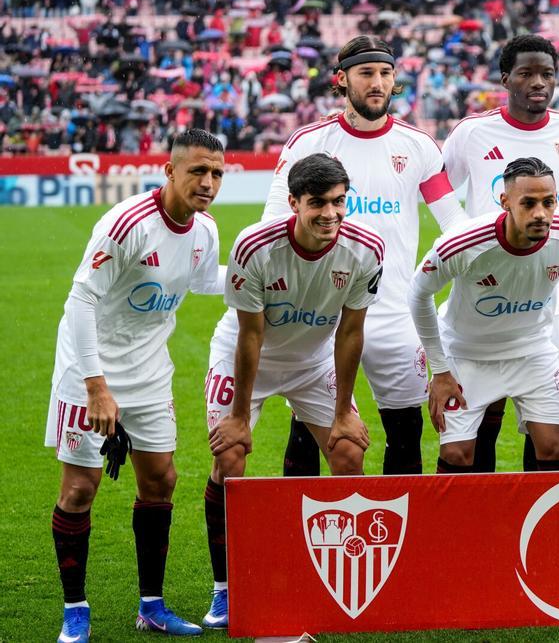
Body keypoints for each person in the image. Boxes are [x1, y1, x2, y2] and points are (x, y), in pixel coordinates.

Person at [46, 129, 224, 641]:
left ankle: (151, 605)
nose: (207, 182)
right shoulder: (126, 225)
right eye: (197, 171)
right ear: (170, 171)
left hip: (149, 373)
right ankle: (75, 610)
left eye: (216, 173)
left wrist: (267, 270)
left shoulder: (205, 230)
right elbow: (79, 301)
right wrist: (95, 385)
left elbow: (208, 281)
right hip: (89, 370)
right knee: (81, 488)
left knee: (160, 480)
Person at [267, 35, 468, 478]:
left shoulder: (419, 146)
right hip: (322, 315)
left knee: (405, 432)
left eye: (385, 73)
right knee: (307, 432)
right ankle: (302, 543)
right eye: (366, 73)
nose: (377, 83)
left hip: (396, 314)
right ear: (341, 80)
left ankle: (403, 539)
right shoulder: (308, 142)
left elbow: (453, 225)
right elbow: (272, 225)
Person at [201, 154, 381, 628]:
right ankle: (225, 589)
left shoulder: (367, 249)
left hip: (313, 361)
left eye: (339, 202)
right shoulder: (254, 246)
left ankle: (343, 580)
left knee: (348, 453)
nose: (330, 214)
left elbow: (350, 332)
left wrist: (344, 410)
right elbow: (250, 335)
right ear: (294, 202)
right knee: (231, 457)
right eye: (318, 203)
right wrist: (238, 415)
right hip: (247, 359)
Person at [442, 34, 559, 472]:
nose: (538, 82)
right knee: (486, 413)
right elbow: (440, 189)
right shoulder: (473, 132)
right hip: (486, 293)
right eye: (526, 73)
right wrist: (461, 240)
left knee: (542, 425)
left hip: (553, 296)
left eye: (547, 74)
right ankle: (486, 520)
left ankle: (534, 523)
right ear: (506, 79)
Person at [409, 157, 559, 473]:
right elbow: (418, 293)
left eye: (548, 202)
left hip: (532, 353)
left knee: (555, 447)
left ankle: (543, 522)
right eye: (529, 203)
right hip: (467, 356)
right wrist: (439, 371)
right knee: (457, 456)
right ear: (505, 201)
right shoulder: (462, 243)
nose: (540, 213)